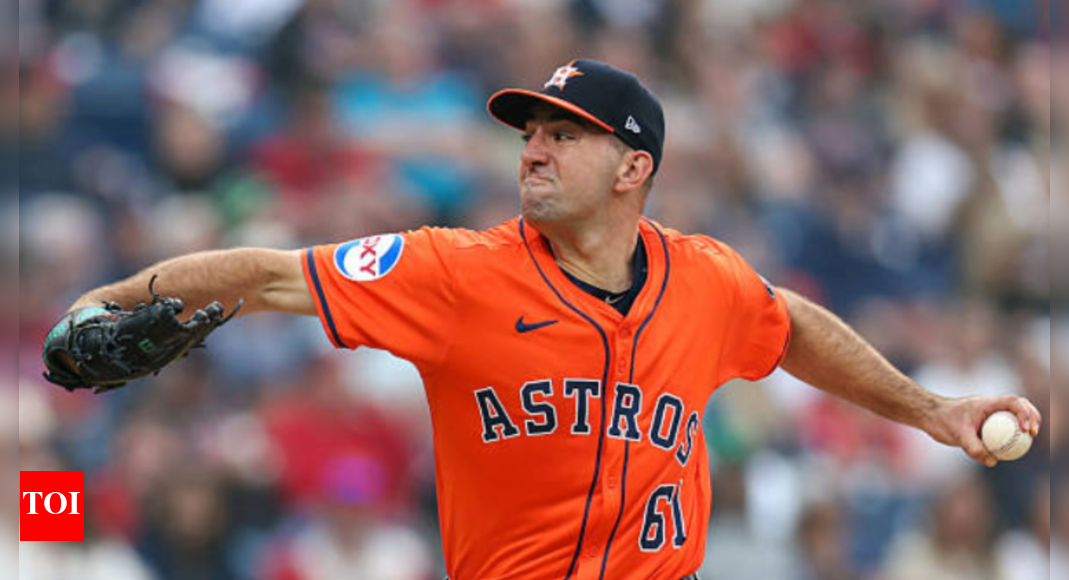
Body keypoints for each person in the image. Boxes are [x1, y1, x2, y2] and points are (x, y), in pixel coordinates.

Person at [44, 60, 1042, 580]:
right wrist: (104, 303)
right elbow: (266, 276)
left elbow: (792, 328)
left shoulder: (705, 280)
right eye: (530, 131)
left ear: (633, 167)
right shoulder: (453, 273)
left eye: (565, 134)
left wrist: (930, 410)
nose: (534, 148)